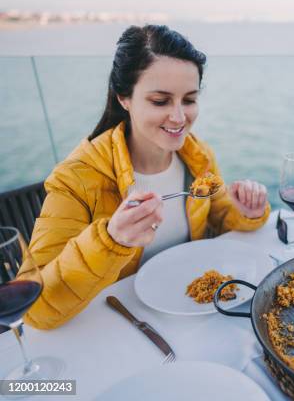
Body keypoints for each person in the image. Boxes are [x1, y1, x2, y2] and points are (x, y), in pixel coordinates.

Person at [18, 25, 270, 330]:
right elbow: (37, 310)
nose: (179, 118)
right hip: (123, 328)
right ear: (124, 97)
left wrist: (247, 212)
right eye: (160, 101)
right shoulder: (75, 179)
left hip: (196, 315)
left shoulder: (197, 155)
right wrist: (111, 240)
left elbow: (218, 215)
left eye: (189, 100)